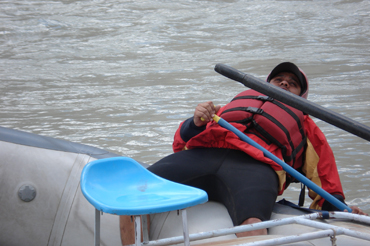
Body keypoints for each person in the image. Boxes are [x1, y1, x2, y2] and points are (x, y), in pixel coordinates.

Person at [120, 62, 367, 245]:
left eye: (292, 84)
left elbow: (322, 174)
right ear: (265, 85)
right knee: (133, 192)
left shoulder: (306, 125)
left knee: (253, 227)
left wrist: (342, 210)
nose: (283, 83)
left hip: (255, 169)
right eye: (278, 79)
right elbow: (180, 145)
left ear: (302, 98)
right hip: (203, 156)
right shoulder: (226, 109)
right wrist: (195, 122)